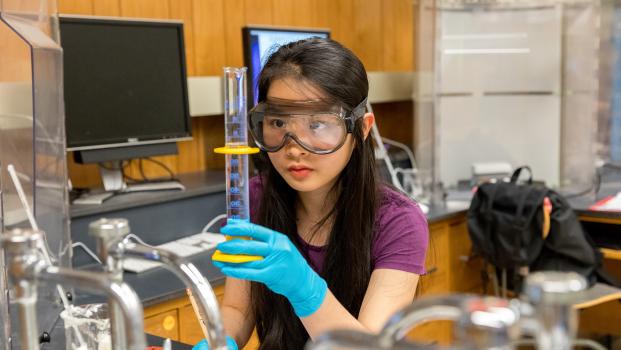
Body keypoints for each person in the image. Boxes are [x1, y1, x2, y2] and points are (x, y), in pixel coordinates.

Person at [194, 38, 428, 350]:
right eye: (278, 122)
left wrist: (305, 289)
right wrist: (219, 341)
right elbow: (238, 309)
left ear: (362, 128)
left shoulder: (399, 221)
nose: (293, 148)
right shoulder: (254, 198)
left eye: (317, 124)